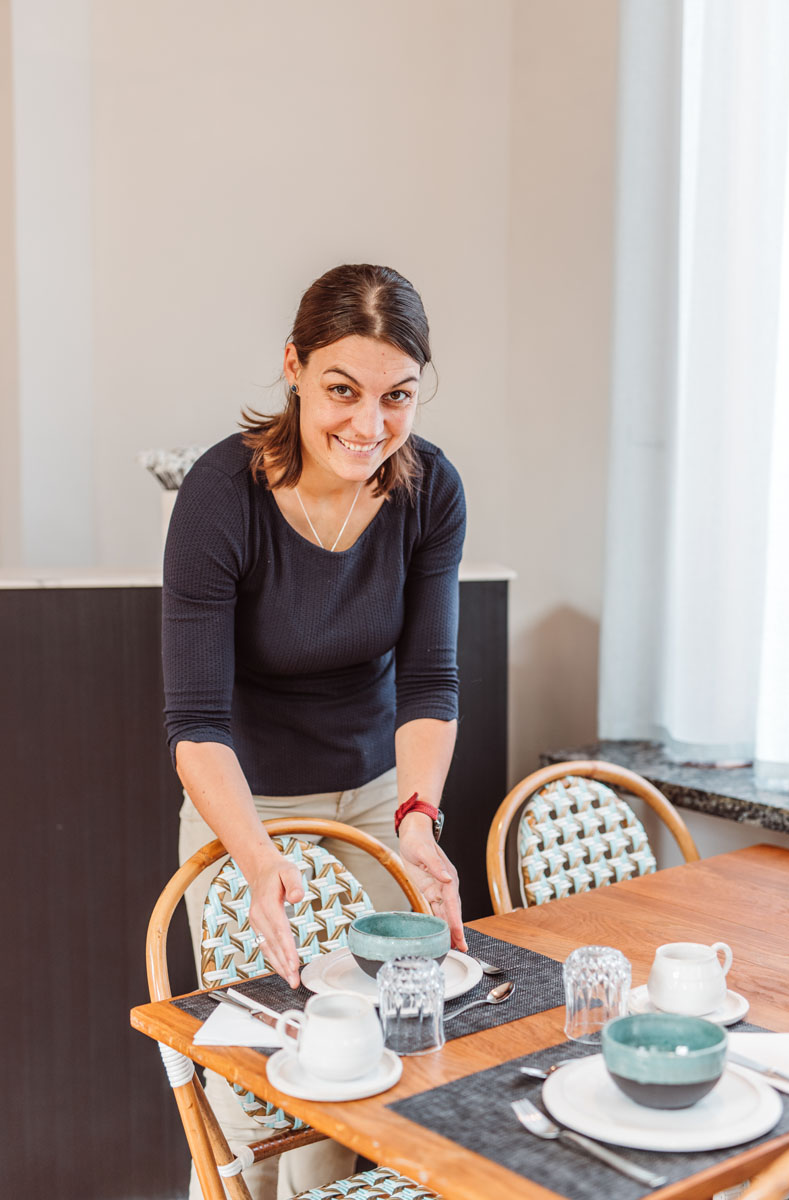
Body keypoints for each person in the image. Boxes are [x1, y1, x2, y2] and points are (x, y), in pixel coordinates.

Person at [162, 263, 467, 1199]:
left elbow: (427, 683)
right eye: (342, 389)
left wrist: (418, 816)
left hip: (379, 792)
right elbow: (197, 722)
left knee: (391, 1066)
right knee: (265, 1091)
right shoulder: (223, 494)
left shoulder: (429, 492)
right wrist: (255, 858)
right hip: (243, 806)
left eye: (396, 397)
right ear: (293, 367)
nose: (368, 426)